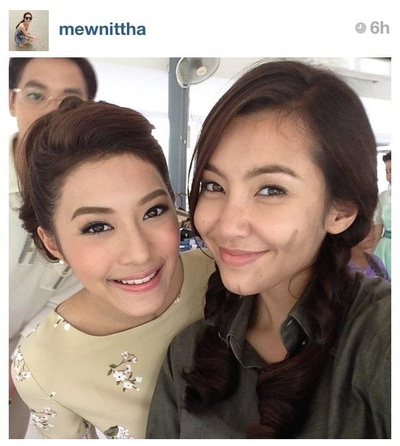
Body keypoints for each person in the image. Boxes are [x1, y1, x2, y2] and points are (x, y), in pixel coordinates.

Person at [146, 60, 391, 439]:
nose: (227, 225)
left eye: (271, 190)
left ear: (341, 210)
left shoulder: (378, 336)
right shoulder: (188, 353)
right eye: (213, 185)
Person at [11, 97, 214, 439]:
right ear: (52, 243)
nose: (139, 253)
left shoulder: (227, 276)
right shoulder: (42, 365)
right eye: (97, 227)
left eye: (153, 211)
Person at [9, 57, 98, 439]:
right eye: (35, 95)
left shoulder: (83, 195)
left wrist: (20, 364)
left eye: (68, 100)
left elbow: (62, 298)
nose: (50, 112)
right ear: (12, 101)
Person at [372, 151, 391, 278]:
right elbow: (378, 224)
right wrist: (373, 251)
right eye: (387, 171)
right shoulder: (383, 197)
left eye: (392, 170)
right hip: (386, 248)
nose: (389, 176)